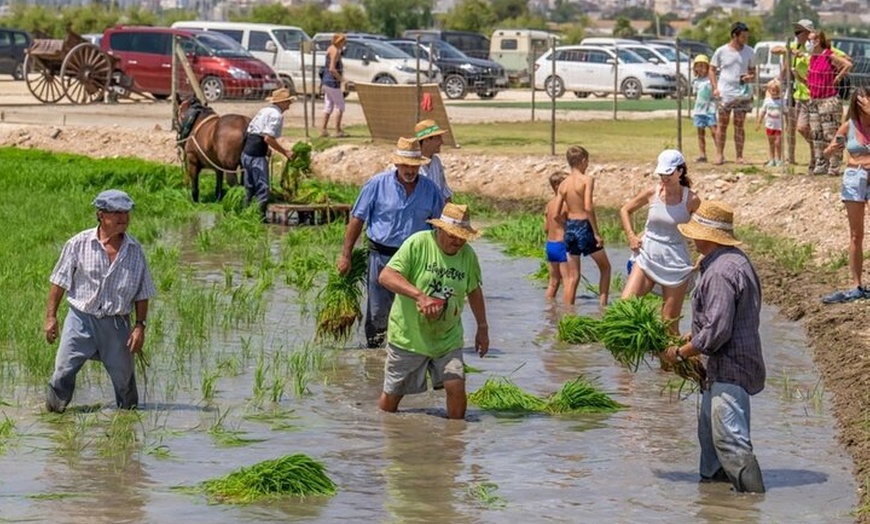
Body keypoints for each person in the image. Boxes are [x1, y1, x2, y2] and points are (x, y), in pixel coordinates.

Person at [662, 200, 766, 494]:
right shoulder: (733, 261)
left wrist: (679, 354)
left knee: (730, 441)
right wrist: (690, 335)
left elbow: (717, 332)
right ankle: (715, 500)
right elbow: (718, 320)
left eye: (695, 232)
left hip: (729, 367)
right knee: (710, 440)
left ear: (707, 236)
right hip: (718, 369)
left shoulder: (720, 271)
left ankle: (752, 501)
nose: (692, 238)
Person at [44, 190, 157, 413]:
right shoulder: (78, 244)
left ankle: (127, 420)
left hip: (117, 324)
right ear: (101, 215)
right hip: (80, 320)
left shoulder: (135, 251)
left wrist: (140, 326)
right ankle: (54, 415)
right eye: (116, 213)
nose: (123, 218)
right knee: (63, 372)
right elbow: (59, 282)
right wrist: (51, 317)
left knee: (125, 382)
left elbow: (142, 293)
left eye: (126, 213)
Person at [377, 203, 489, 419]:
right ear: (439, 229)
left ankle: (455, 434)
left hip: (447, 339)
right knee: (392, 399)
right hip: (408, 337)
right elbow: (386, 276)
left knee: (456, 385)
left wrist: (482, 327)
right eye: (453, 235)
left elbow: (474, 290)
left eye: (463, 237)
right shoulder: (418, 243)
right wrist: (419, 296)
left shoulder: (467, 255)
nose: (458, 241)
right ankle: (381, 429)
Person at [337, 137, 445, 348]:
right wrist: (346, 256)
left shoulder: (430, 189)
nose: (410, 170)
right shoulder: (377, 184)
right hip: (381, 257)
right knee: (378, 312)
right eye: (405, 165)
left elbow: (440, 226)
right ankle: (375, 356)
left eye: (414, 166)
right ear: (396, 163)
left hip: (416, 260)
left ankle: (410, 351)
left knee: (415, 309)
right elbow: (357, 219)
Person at [620, 150, 701, 335]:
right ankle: (632, 351)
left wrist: (701, 257)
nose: (664, 178)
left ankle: (679, 353)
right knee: (624, 308)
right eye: (661, 174)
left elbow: (705, 230)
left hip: (675, 262)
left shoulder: (692, 200)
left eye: (668, 173)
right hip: (647, 256)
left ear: (680, 172)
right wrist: (631, 236)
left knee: (668, 325)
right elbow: (625, 210)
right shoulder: (653, 192)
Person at [821, 87, 870, 303]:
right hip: (854, 177)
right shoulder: (849, 126)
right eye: (863, 100)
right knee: (856, 235)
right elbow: (827, 152)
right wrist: (832, 149)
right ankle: (856, 284)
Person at [552, 145, 611, 307]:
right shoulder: (587, 180)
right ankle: (603, 307)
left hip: (571, 228)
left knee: (573, 277)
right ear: (583, 160)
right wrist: (596, 233)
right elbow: (588, 207)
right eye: (587, 161)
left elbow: (556, 214)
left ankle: (568, 312)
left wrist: (568, 226)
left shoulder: (563, 184)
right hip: (584, 226)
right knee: (605, 268)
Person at [241, 87, 296, 221]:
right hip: (256, 156)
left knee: (249, 186)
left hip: (247, 152)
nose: (289, 105)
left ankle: (245, 213)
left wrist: (266, 148)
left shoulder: (264, 110)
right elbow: (268, 138)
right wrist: (285, 152)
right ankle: (260, 218)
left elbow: (255, 132)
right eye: (288, 102)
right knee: (263, 187)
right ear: (281, 102)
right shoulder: (276, 115)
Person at [709, 22, 756, 165]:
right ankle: (719, 155)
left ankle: (739, 156)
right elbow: (712, 69)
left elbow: (753, 71)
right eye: (743, 37)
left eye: (746, 36)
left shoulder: (750, 51)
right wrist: (715, 88)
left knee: (739, 125)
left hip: (742, 93)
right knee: (722, 124)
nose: (745, 39)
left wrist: (750, 77)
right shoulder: (721, 51)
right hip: (725, 93)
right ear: (734, 36)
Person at [806, 30, 852, 176]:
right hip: (814, 100)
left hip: (829, 100)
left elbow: (847, 64)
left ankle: (834, 165)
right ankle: (821, 164)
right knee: (816, 134)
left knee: (830, 134)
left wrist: (838, 77)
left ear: (818, 41)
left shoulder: (828, 55)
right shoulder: (812, 58)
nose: (808, 43)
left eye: (811, 40)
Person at [544, 171, 569, 300]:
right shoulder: (565, 205)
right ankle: (568, 309)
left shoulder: (549, 204)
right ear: (558, 186)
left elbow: (545, 228)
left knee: (553, 282)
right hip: (562, 244)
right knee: (568, 281)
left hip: (550, 244)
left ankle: (549, 308)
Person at [415, 119, 452, 202]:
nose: (442, 142)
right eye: (438, 138)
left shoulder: (436, 161)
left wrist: (452, 208)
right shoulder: (410, 164)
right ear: (426, 140)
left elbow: (444, 191)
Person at [320, 33, 348, 138]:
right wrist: (342, 80)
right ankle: (338, 130)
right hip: (332, 82)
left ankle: (323, 129)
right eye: (344, 42)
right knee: (340, 105)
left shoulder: (330, 48)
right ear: (339, 42)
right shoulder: (335, 51)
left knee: (328, 105)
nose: (344, 44)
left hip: (326, 80)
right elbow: (332, 68)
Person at [692, 54, 717, 163]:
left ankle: (719, 153)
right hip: (699, 111)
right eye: (698, 66)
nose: (701, 68)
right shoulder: (696, 81)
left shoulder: (711, 80)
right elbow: (696, 95)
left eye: (703, 66)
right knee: (700, 133)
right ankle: (702, 154)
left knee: (714, 131)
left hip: (710, 109)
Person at [755, 79, 784, 167]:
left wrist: (787, 124)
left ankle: (779, 159)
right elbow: (763, 112)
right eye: (773, 91)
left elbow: (786, 113)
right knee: (771, 143)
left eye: (777, 91)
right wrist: (759, 123)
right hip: (769, 125)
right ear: (769, 91)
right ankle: (772, 159)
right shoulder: (767, 101)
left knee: (778, 143)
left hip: (779, 126)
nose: (775, 93)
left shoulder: (782, 101)